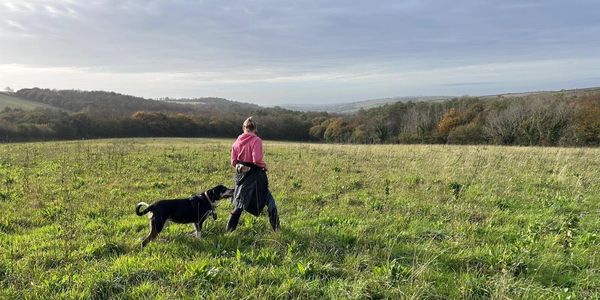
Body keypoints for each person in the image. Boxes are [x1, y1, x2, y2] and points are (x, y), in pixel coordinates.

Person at [227, 116, 280, 232]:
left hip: (241, 177)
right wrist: (264, 166)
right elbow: (257, 160)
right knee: (269, 201)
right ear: (255, 128)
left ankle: (229, 231)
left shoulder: (236, 142)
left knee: (239, 204)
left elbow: (233, 162)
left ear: (244, 128)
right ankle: (277, 229)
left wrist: (240, 167)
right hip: (255, 176)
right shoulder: (256, 140)